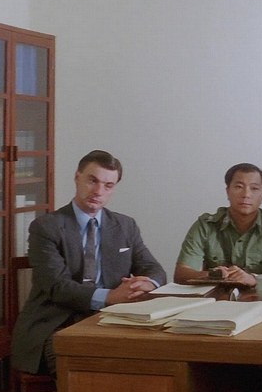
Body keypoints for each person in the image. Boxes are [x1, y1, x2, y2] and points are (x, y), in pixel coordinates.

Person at [11, 150, 166, 376]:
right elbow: (57, 287)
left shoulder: (125, 226)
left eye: (108, 185)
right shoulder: (46, 227)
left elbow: (154, 269)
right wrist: (110, 296)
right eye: (92, 181)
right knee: (87, 366)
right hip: (56, 323)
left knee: (150, 359)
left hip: (112, 320)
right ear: (77, 177)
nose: (98, 191)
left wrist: (147, 283)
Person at [174, 163, 262, 288]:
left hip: (258, 296)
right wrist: (212, 275)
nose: (246, 194)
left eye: (254, 188)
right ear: (228, 191)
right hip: (215, 296)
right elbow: (181, 273)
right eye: (239, 187)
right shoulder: (206, 225)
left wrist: (253, 279)